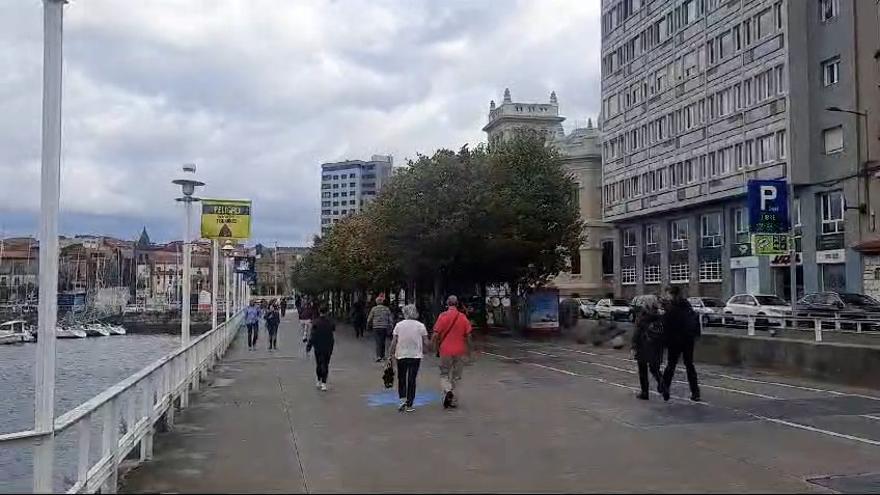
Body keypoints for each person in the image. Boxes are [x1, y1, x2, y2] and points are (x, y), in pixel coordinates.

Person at [431, 295, 473, 409]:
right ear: (457, 304)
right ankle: (453, 400)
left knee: (444, 373)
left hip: (445, 350)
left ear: (447, 303)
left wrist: (432, 347)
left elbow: (435, 334)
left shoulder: (442, 316)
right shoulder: (463, 317)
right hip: (460, 350)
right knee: (456, 376)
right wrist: (469, 350)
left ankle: (448, 390)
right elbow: (469, 335)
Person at [661, 286, 701, 402]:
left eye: (668, 293)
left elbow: (666, 325)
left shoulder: (671, 307)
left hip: (675, 341)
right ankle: (695, 392)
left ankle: (665, 388)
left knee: (671, 365)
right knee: (689, 365)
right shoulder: (687, 305)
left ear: (671, 294)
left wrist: (664, 342)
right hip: (688, 340)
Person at [390, 304, 430, 413]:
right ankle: (410, 403)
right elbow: (426, 341)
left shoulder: (399, 325)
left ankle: (402, 399)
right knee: (412, 379)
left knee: (401, 377)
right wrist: (427, 349)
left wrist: (391, 353)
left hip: (401, 354)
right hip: (415, 355)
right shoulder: (420, 325)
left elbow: (394, 341)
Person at [631, 295, 666, 400]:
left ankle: (645, 393)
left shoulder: (643, 315)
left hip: (643, 345)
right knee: (654, 368)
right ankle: (663, 385)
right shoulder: (660, 315)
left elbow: (637, 333)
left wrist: (633, 346)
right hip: (657, 346)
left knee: (642, 370)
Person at [307, 305, 335, 391]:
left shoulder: (316, 322)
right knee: (325, 364)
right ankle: (324, 383)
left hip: (318, 346)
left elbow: (313, 335)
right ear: (327, 312)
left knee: (319, 364)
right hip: (328, 346)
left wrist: (309, 346)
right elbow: (333, 330)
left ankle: (319, 380)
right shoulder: (330, 322)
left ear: (319, 312)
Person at [367, 294, 393, 362]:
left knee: (378, 341)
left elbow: (370, 318)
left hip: (376, 327)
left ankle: (378, 356)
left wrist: (368, 324)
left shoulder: (374, 309)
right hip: (384, 327)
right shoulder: (386, 309)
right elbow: (390, 319)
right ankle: (383, 355)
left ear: (376, 302)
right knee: (383, 341)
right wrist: (391, 326)